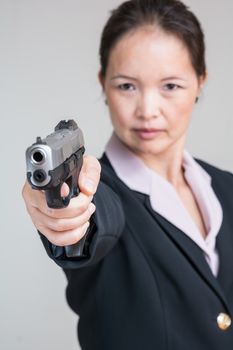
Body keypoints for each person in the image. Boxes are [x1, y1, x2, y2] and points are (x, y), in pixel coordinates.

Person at [22, 0, 233, 349]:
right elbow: (95, 218)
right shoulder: (99, 193)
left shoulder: (226, 187)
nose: (148, 110)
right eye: (127, 86)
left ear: (200, 82)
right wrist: (64, 206)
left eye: (170, 86)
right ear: (103, 83)